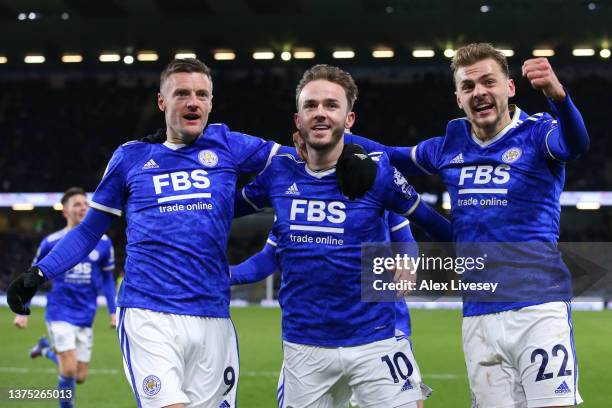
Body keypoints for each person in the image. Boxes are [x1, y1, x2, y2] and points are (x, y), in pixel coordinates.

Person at [5, 58, 363, 408]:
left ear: (210, 103)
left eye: (202, 95)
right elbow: (87, 233)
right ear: (162, 102)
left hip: (213, 316)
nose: (193, 101)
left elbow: (314, 150)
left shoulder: (227, 144)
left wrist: (357, 155)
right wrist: (38, 273)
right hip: (149, 313)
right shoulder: (131, 158)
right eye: (181, 94)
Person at [294, 44, 589, 407]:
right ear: (458, 98)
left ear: (509, 88)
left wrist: (558, 97)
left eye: (488, 82)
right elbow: (390, 155)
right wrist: (329, 132)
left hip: (538, 308)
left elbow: (575, 143)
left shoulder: (538, 133)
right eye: (468, 86)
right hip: (478, 315)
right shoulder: (450, 146)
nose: (479, 92)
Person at [234, 64, 450, 407]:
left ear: (349, 119)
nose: (320, 113)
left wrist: (410, 260)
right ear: (298, 120)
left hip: (378, 337)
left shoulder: (375, 174)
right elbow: (229, 216)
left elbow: (425, 227)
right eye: (311, 106)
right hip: (305, 345)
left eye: (331, 106)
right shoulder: (279, 176)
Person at [230, 212, 428, 408]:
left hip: (381, 329)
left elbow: (405, 240)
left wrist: (408, 260)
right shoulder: (292, 196)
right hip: (313, 338)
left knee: (409, 398)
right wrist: (224, 274)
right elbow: (268, 257)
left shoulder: (380, 184)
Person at [12, 187, 116, 408]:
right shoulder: (51, 242)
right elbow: (32, 277)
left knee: (79, 376)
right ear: (65, 211)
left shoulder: (104, 242)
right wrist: (23, 309)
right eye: (77, 204)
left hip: (86, 314)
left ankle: (45, 350)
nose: (83, 207)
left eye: (85, 203)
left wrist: (113, 311)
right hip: (59, 311)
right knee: (68, 369)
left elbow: (107, 280)